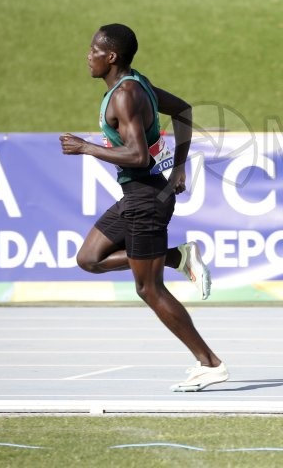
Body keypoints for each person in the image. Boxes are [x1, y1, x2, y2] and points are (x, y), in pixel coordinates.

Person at [59, 23, 224, 392]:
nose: (88, 56)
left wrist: (86, 148)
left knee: (149, 289)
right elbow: (182, 109)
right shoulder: (136, 83)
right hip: (138, 196)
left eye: (94, 50)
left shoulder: (125, 96)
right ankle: (176, 257)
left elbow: (136, 155)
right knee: (89, 258)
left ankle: (209, 362)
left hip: (146, 200)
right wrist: (179, 166)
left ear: (111, 56)